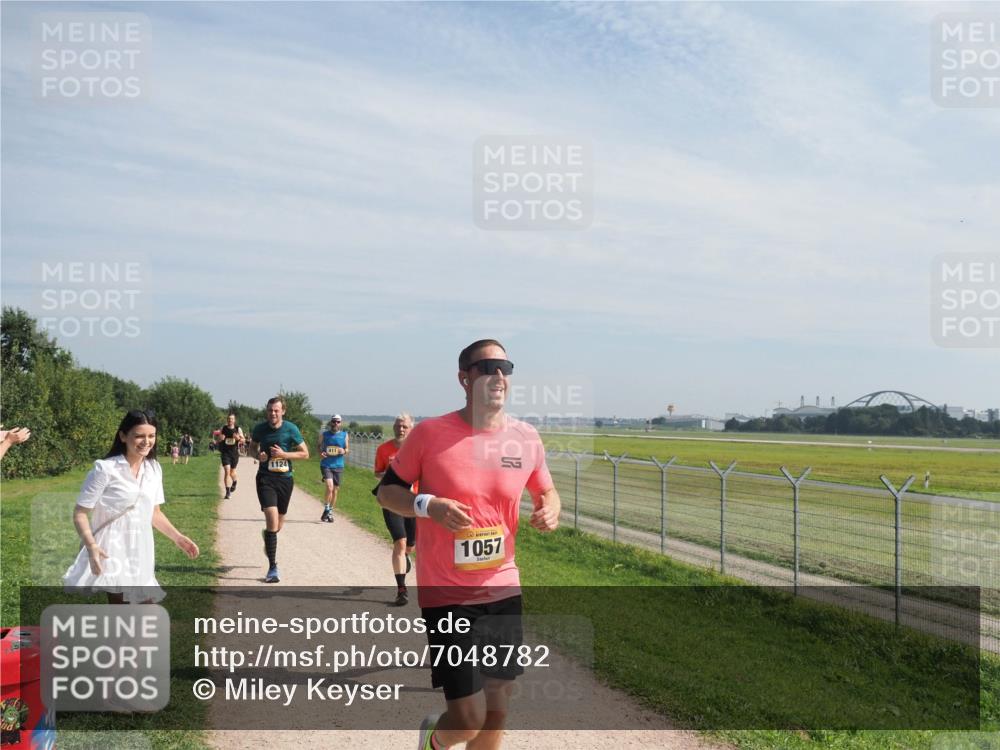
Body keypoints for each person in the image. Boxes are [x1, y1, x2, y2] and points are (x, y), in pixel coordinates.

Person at [377, 339, 560, 750]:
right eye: (487, 367)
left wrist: (551, 509)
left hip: (502, 585)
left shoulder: (526, 438)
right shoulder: (430, 434)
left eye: (505, 367)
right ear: (464, 378)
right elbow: (387, 493)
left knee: (497, 710)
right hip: (447, 593)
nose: (498, 375)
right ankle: (435, 739)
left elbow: (547, 491)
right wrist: (429, 505)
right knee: (468, 718)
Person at [63, 410, 200, 604]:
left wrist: (177, 537)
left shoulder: (154, 468)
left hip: (141, 546)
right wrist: (91, 545)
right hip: (112, 547)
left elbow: (154, 513)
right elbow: (80, 513)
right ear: (123, 436)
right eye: (139, 436)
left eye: (151, 436)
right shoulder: (105, 469)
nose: (146, 441)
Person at [250, 396, 309, 583]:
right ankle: (273, 567)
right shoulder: (259, 429)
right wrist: (257, 455)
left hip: (285, 480)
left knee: (277, 526)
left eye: (276, 410)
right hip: (265, 478)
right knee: (272, 519)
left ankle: (268, 534)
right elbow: (251, 449)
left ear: (283, 411)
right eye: (269, 410)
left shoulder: (291, 429)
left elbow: (305, 453)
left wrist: (284, 454)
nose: (272, 413)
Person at [373, 413, 417, 605]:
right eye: (398, 426)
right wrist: (391, 474)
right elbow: (377, 473)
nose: (401, 429)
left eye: (404, 426)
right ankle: (402, 589)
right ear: (393, 427)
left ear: (411, 428)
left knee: (409, 546)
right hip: (391, 502)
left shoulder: (418, 450)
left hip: (414, 503)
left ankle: (406, 556)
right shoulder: (384, 449)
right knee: (399, 543)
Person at [318, 415, 349, 522]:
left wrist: (343, 451)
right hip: (326, 464)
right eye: (334, 421)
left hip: (339, 466)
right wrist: (320, 452)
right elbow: (318, 446)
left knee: (335, 490)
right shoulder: (324, 434)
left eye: (338, 422)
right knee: (329, 487)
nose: (336, 423)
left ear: (341, 423)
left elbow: (347, 449)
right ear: (331, 422)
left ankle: (330, 512)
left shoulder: (344, 435)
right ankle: (326, 508)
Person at [215, 414, 245, 499]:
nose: (230, 420)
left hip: (234, 454)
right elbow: (218, 440)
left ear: (234, 420)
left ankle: (235, 482)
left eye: (232, 419)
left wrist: (238, 438)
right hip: (225, 453)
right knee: (227, 471)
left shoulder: (238, 429)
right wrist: (220, 439)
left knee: (232, 472)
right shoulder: (223, 428)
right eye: (228, 419)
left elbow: (243, 440)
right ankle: (227, 492)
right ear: (227, 420)